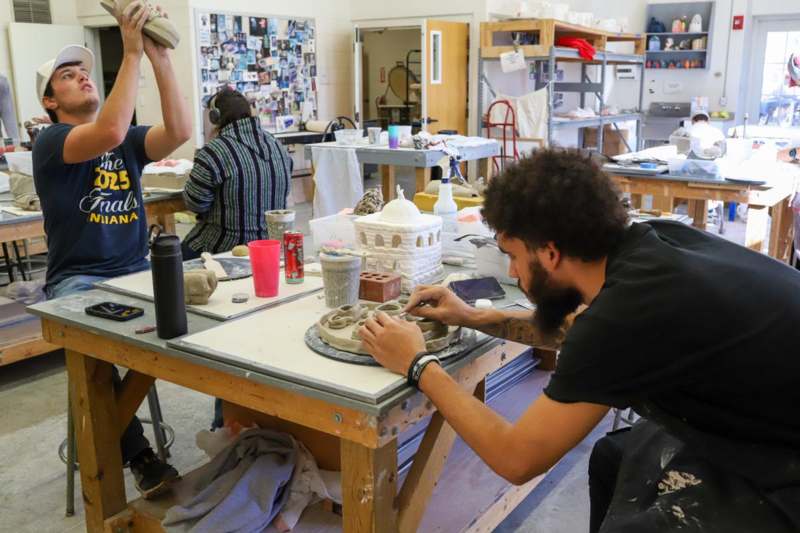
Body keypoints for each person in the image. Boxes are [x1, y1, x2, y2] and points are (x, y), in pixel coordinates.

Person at [360, 148, 800, 532]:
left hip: (783, 465)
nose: (512, 273)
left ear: (550, 252)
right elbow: (591, 335)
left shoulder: (625, 315)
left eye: (513, 257)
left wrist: (419, 364)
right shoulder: (654, 246)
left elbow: (516, 458)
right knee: (612, 457)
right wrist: (475, 316)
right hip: (768, 421)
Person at [32, 2, 191, 499]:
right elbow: (111, 131)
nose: (82, 78)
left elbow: (180, 132)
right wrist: (130, 54)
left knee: (198, 329)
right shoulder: (52, 141)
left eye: (85, 72)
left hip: (134, 271)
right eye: (67, 76)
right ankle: (140, 456)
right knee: (100, 352)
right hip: (77, 281)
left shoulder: (124, 141)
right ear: (50, 102)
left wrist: (159, 58)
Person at [181, 87, 292, 261]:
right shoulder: (278, 146)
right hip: (271, 246)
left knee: (168, 260)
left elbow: (195, 204)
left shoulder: (214, 151)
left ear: (215, 117)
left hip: (226, 246)